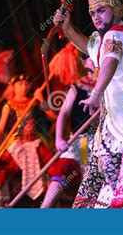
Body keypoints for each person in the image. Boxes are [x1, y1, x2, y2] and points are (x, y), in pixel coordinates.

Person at [53, 0, 123, 208]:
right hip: (114, 123)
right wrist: (67, 27)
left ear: (117, 10)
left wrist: (95, 93)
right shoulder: (114, 34)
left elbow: (108, 62)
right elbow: (91, 49)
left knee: (118, 181)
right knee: (110, 176)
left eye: (101, 10)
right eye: (92, 13)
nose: (95, 17)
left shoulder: (116, 34)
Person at [0, 73, 52, 208]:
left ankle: (51, 206)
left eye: (26, 84)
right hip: (17, 144)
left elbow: (52, 116)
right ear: (13, 87)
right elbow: (0, 129)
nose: (24, 86)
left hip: (35, 143)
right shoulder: (8, 106)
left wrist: (42, 99)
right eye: (20, 84)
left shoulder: (36, 101)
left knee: (53, 168)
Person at [41, 55, 98, 208]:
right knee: (64, 167)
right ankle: (45, 208)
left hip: (103, 141)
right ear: (84, 62)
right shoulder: (77, 88)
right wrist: (59, 139)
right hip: (81, 141)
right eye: (90, 57)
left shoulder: (110, 86)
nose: (95, 60)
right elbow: (63, 114)